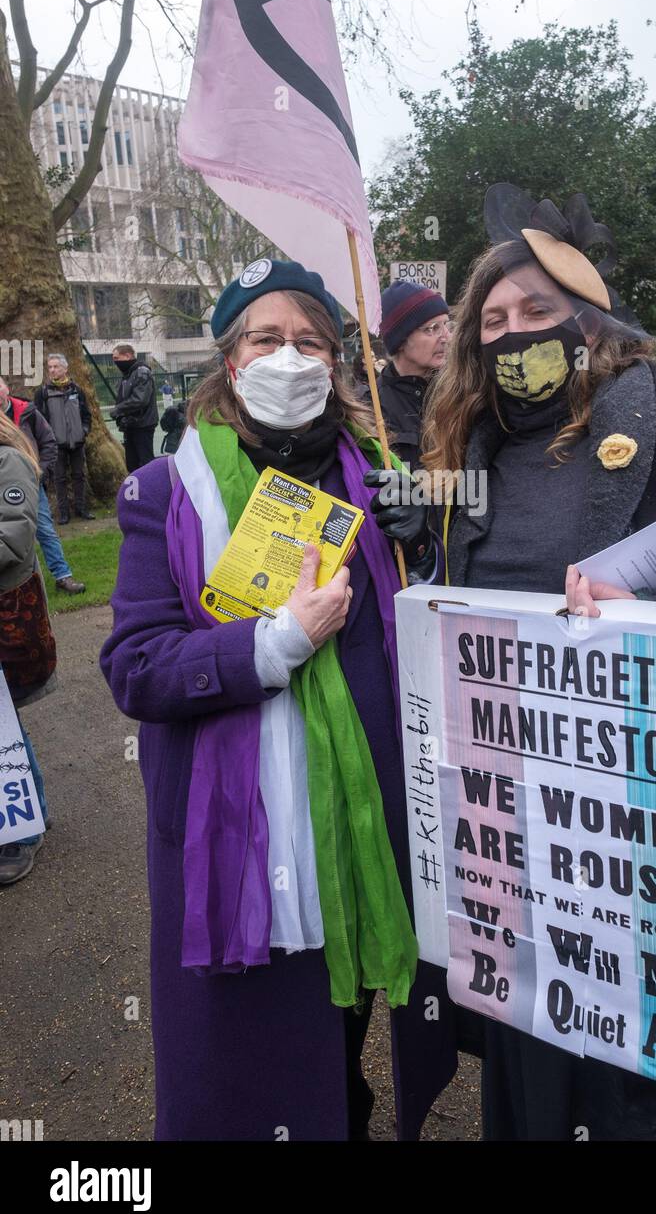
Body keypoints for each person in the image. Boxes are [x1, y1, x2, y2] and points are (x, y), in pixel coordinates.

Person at [421, 184, 656, 1143]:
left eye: (538, 313)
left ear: (590, 323)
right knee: (544, 1068)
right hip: (524, 832)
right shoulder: (463, 456)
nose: (514, 335)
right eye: (494, 321)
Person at [100, 257, 456, 1141]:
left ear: (337, 365)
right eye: (267, 338)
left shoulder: (373, 474)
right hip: (245, 832)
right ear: (231, 361)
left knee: (348, 1019)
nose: (289, 358)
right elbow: (136, 668)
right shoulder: (163, 493)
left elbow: (418, 642)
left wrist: (434, 557)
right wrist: (274, 645)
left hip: (369, 817)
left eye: (311, 342)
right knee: (264, 1048)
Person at [0, 411, 58, 885]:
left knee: (3, 725)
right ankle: (31, 810)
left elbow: (13, 539)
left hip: (9, 618)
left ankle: (18, 833)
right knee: (5, 722)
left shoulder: (8, 462)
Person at [0, 377, 85, 595]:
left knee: (44, 529)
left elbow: (49, 441)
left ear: (6, 388)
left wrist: (38, 471)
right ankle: (24, 581)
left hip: (29, 482)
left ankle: (62, 575)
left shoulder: (26, 411)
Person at [374, 281, 451, 470]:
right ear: (400, 341)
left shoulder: (460, 391)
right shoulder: (371, 406)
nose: (446, 337)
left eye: (447, 325)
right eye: (432, 328)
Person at [34, 353, 94, 521]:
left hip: (77, 442)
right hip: (56, 445)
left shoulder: (77, 389)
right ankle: (63, 514)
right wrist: (48, 439)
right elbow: (39, 420)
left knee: (79, 476)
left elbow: (86, 415)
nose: (52, 370)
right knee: (59, 479)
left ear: (65, 369)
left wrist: (84, 431)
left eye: (56, 366)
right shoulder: (43, 393)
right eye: (50, 367)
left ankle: (82, 510)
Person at [109, 345, 158, 472]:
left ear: (127, 356)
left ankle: (151, 490)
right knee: (132, 465)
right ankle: (137, 490)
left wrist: (118, 410)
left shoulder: (141, 372)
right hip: (130, 425)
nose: (115, 362)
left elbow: (140, 399)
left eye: (116, 358)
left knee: (145, 463)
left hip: (143, 425)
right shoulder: (127, 375)